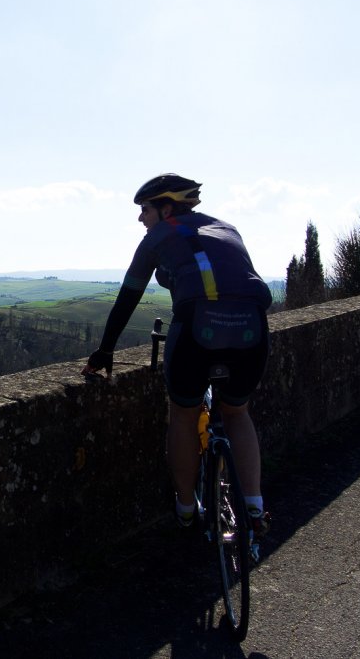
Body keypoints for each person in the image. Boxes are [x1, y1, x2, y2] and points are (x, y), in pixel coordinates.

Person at [82, 173, 272, 534]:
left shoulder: (156, 237)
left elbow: (128, 298)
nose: (141, 219)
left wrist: (106, 350)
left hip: (197, 330)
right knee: (237, 413)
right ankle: (254, 506)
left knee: (183, 416)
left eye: (145, 210)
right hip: (253, 329)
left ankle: (186, 507)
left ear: (166, 208)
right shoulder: (228, 229)